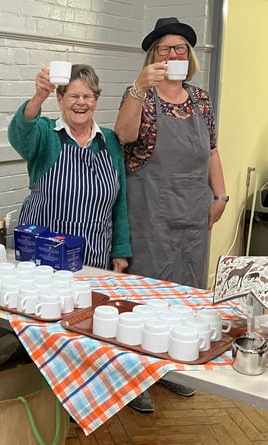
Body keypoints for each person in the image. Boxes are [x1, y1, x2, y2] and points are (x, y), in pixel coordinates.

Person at [114, 17, 228, 413]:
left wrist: (221, 194)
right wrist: (138, 87)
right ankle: (137, 377)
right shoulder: (140, 96)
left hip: (193, 216)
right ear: (153, 56)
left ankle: (174, 370)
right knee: (145, 297)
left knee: (186, 293)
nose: (174, 54)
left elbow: (211, 150)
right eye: (165, 49)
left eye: (180, 48)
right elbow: (124, 136)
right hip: (149, 215)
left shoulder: (201, 99)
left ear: (189, 57)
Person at [7, 63, 131, 272]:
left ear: (96, 101)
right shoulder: (46, 134)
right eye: (74, 96)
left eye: (88, 96)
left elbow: (119, 203)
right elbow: (20, 134)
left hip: (94, 255)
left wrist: (120, 250)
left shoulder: (109, 140)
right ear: (59, 99)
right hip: (43, 259)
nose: (81, 103)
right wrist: (39, 96)